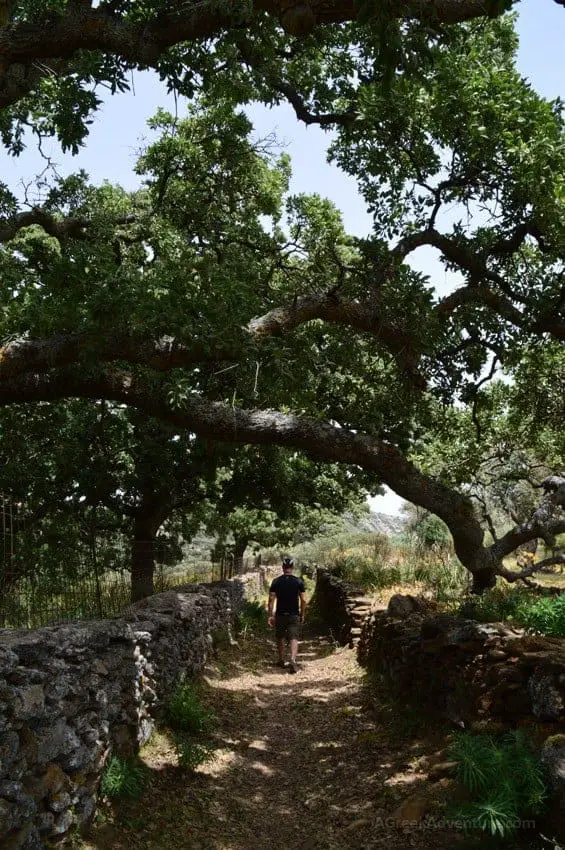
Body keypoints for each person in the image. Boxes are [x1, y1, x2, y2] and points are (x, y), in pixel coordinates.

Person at [268, 556, 307, 673]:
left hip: (280, 614)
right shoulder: (299, 581)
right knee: (294, 637)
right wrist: (302, 613)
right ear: (292, 567)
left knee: (279, 637)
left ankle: (281, 660)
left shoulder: (276, 581)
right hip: (294, 614)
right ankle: (293, 659)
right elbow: (304, 600)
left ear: (283, 567)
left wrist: (270, 615)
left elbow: (271, 600)